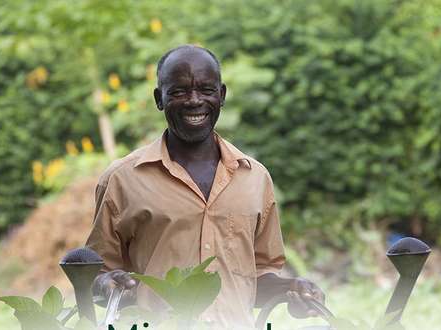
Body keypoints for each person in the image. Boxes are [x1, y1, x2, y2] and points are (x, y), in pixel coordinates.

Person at [86, 44, 325, 329]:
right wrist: (105, 284)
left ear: (221, 96)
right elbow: (97, 276)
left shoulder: (255, 178)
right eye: (178, 92)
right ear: (158, 99)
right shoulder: (122, 179)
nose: (194, 101)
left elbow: (257, 276)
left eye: (206, 90)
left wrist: (293, 289)